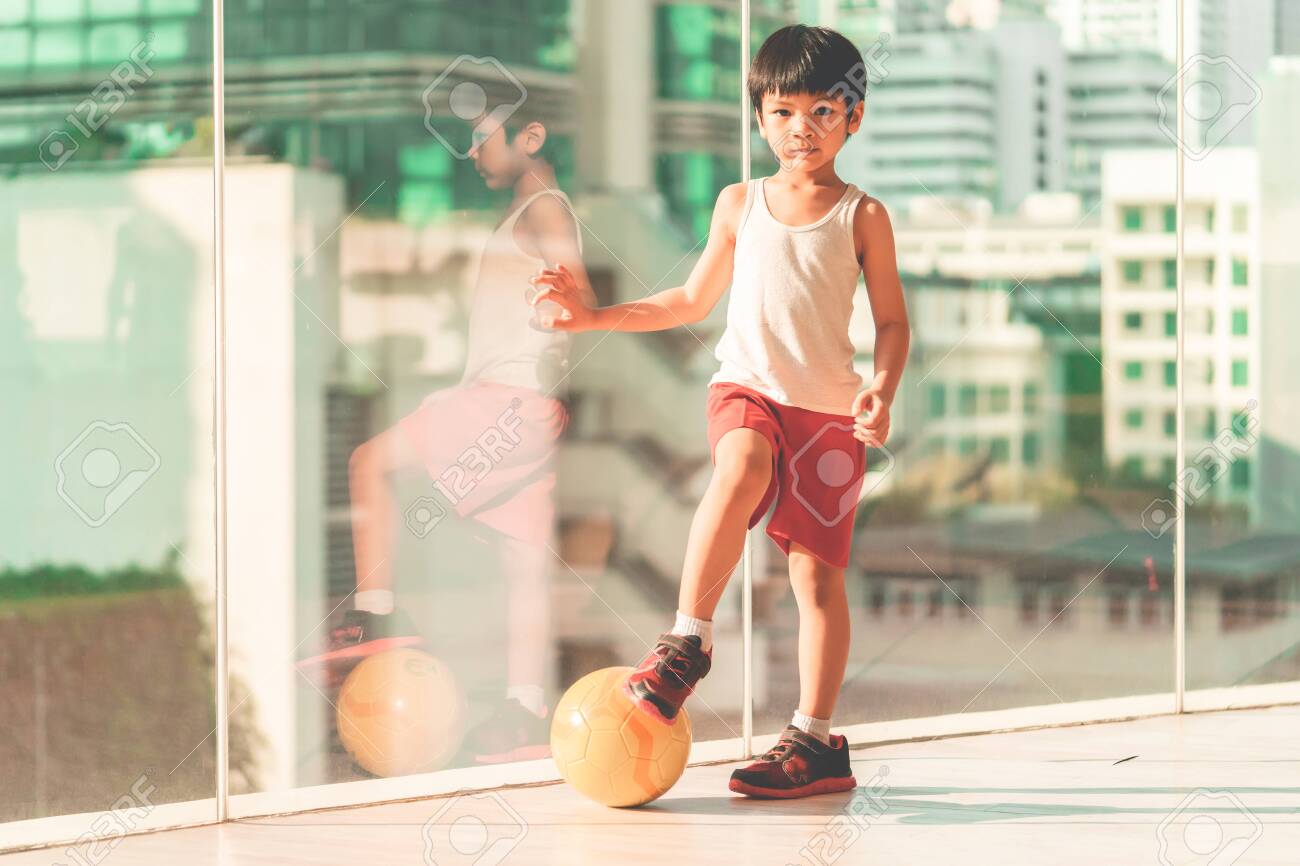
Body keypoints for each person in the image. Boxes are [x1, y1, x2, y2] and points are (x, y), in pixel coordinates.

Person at [529, 24, 910, 798]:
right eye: (782, 111)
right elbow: (688, 300)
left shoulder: (863, 216)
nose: (801, 128)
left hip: (830, 417)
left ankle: (814, 743)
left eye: (822, 112)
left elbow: (895, 321)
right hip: (748, 388)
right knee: (739, 463)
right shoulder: (740, 203)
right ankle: (686, 643)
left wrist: (883, 385)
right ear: (760, 118)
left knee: (816, 583)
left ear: (855, 118)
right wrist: (592, 317)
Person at [300, 109, 593, 765]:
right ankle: (524, 708)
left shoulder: (544, 207)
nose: (472, 151)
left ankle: (374, 615)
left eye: (483, 136)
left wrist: (556, 346)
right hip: (526, 406)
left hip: (506, 406)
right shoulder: (530, 210)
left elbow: (582, 295)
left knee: (370, 463)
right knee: (523, 566)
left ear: (532, 136)